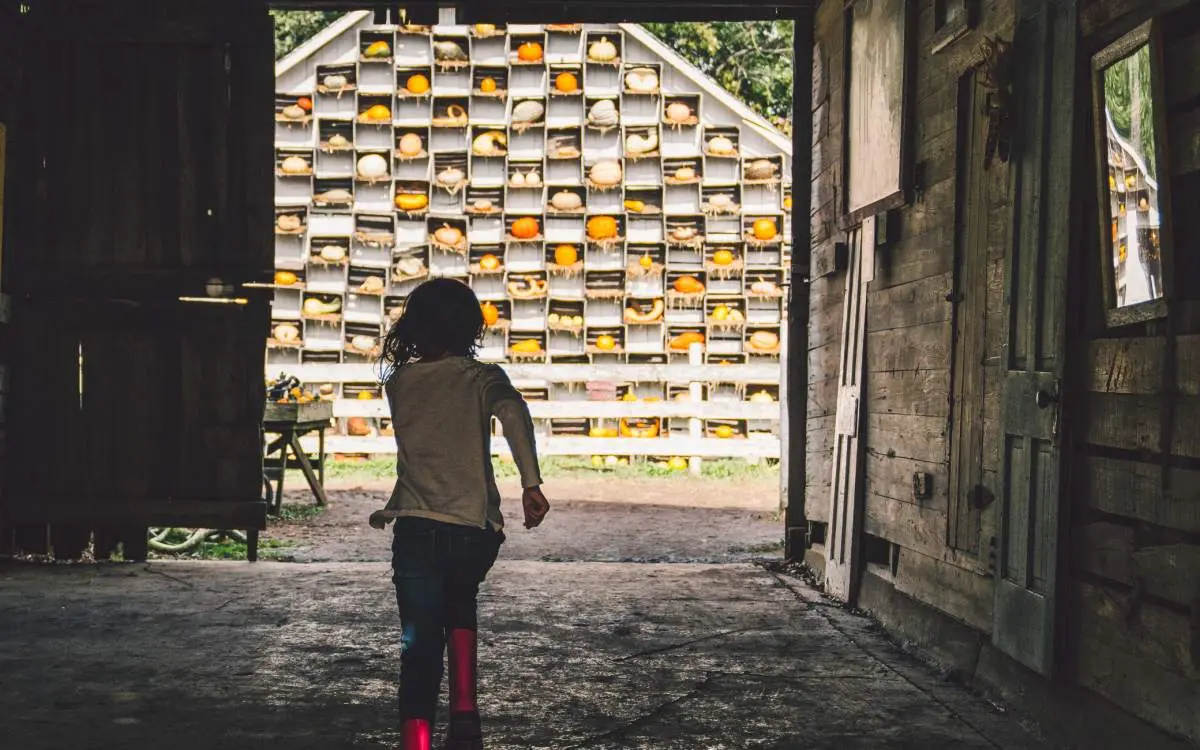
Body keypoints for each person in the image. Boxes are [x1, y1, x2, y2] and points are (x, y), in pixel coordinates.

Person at [368, 278, 550, 750]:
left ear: (415, 328)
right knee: (461, 599)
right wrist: (530, 484)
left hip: (417, 525)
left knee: (419, 642)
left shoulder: (400, 382)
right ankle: (465, 715)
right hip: (472, 531)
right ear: (471, 327)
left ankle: (418, 741)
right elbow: (514, 415)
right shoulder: (482, 377)